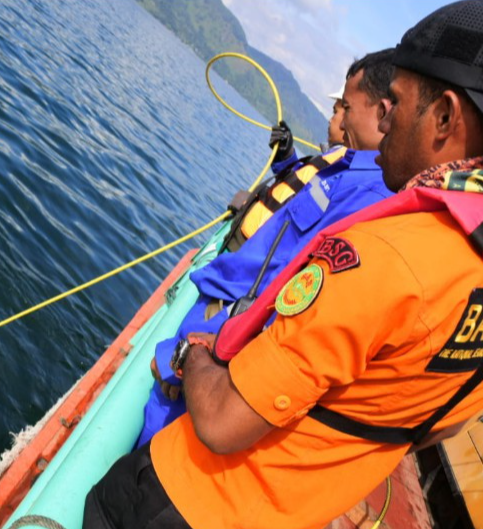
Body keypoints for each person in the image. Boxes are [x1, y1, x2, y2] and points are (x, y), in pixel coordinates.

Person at [84, 3, 483, 529]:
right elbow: (437, 428)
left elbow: (223, 422)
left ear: (445, 116)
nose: (386, 128)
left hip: (186, 498)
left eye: (399, 105)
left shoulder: (388, 255)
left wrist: (193, 354)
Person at [136, 49, 395, 449]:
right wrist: (286, 157)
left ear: (380, 109)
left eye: (346, 104)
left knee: (153, 444)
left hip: (215, 332)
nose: (339, 114)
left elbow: (291, 295)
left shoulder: (370, 196)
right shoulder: (345, 164)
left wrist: (186, 354)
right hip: (214, 303)